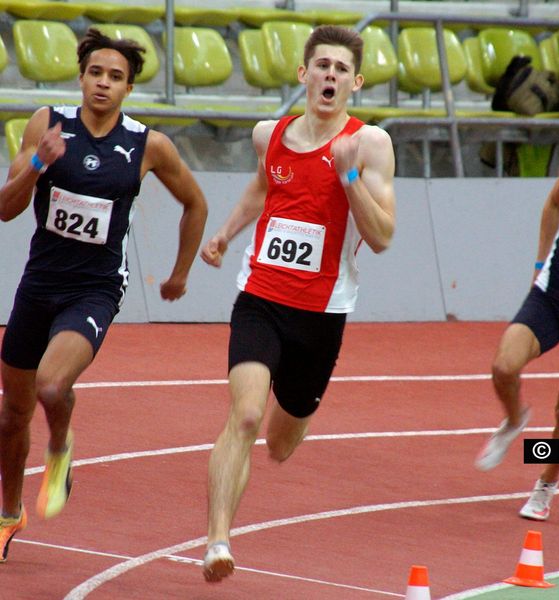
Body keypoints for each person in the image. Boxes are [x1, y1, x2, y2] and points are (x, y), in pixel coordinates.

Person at [0, 27, 208, 562]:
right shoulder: (47, 124)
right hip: (39, 283)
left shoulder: (147, 144)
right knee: (10, 415)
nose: (103, 83)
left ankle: (61, 446)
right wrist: (40, 163)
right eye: (96, 73)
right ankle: (8, 513)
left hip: (94, 288)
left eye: (116, 77)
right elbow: (5, 207)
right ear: (81, 77)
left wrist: (180, 272)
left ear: (127, 89)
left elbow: (195, 203)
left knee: (50, 386)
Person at [199, 25, 396, 582]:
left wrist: (349, 175)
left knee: (281, 445)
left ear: (355, 82)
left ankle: (293, 417)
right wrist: (226, 233)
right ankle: (216, 541)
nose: (329, 76)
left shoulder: (370, 143)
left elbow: (382, 237)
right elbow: (262, 187)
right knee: (244, 416)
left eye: (340, 69)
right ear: (303, 74)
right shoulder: (271, 134)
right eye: (321, 66)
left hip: (322, 315)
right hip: (260, 297)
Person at [474, 147, 559, 521]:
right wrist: (539, 262)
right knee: (504, 366)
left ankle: (547, 484)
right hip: (553, 295)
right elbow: (552, 205)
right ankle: (514, 419)